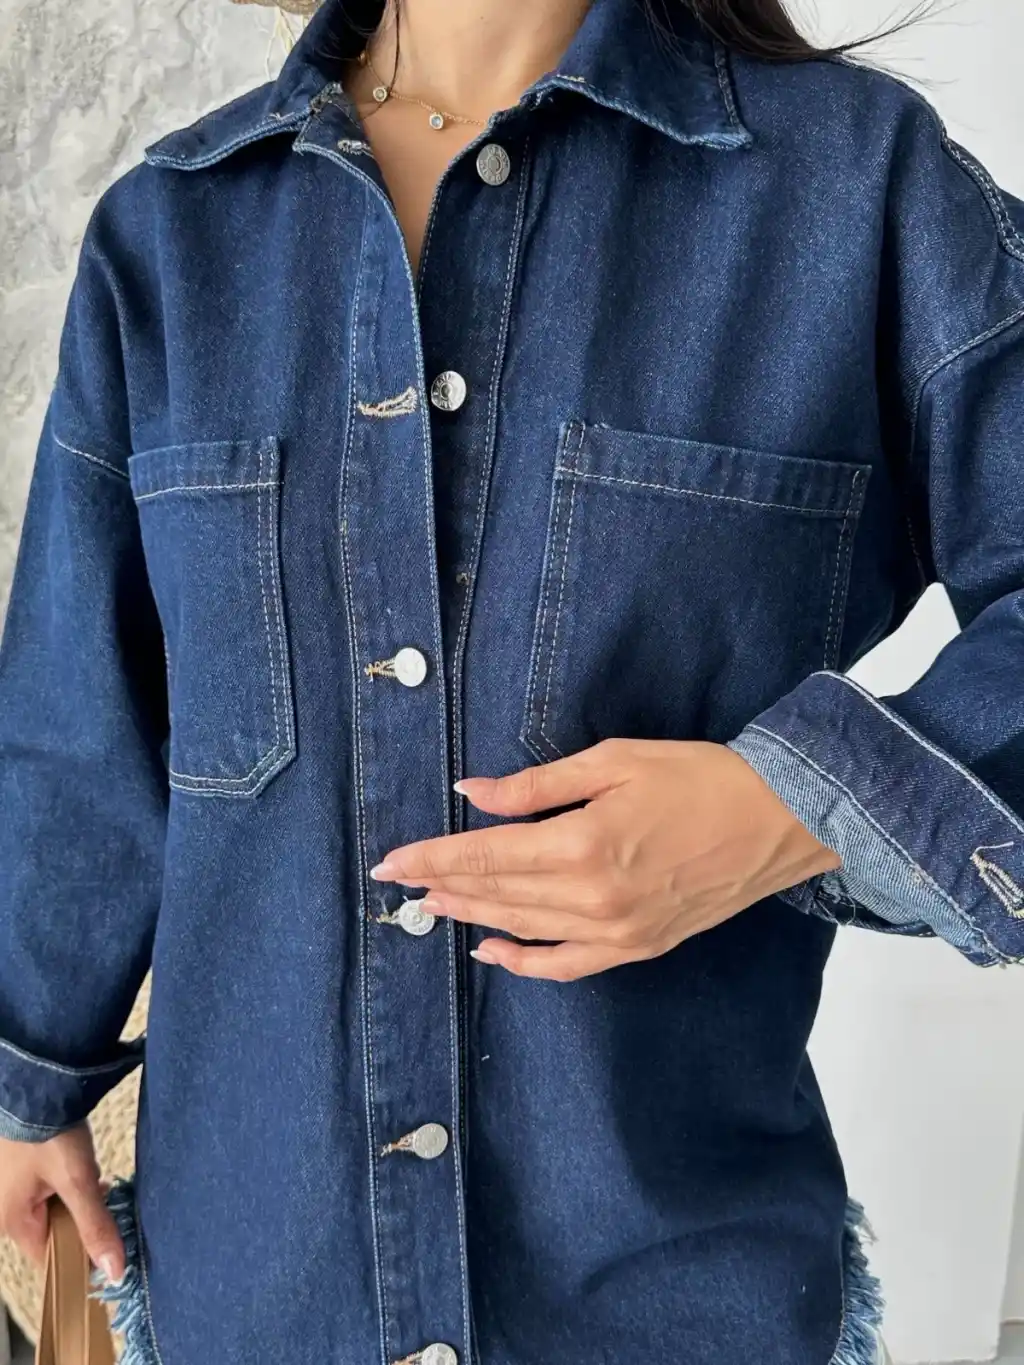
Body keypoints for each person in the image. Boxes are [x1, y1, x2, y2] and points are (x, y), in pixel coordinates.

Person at [0, 0, 1021, 1361]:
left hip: (671, 1295)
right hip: (258, 1290)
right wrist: (28, 1079)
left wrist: (789, 809)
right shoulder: (173, 234)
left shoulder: (855, 189)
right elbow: (78, 727)